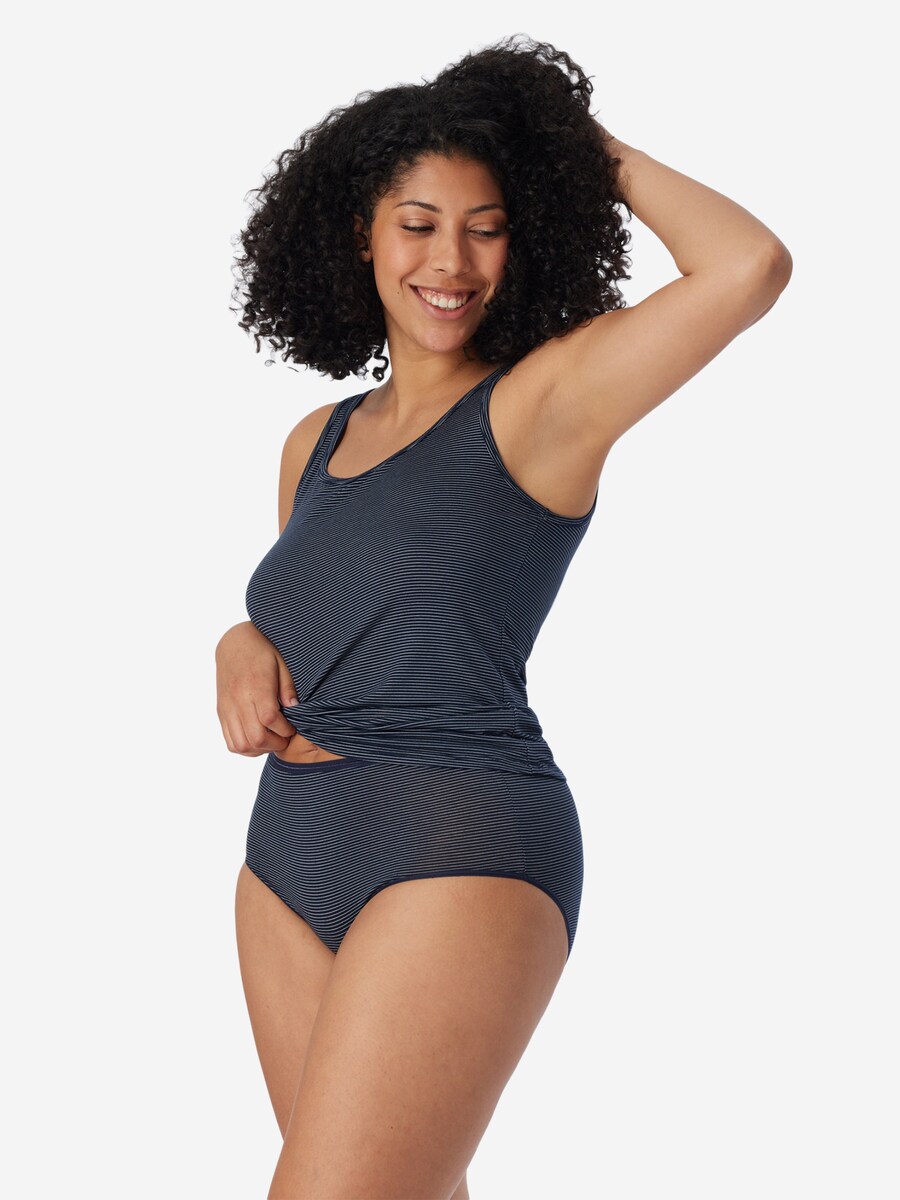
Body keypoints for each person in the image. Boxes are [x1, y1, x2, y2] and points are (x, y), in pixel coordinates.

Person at [215, 34, 791, 1199]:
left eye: (487, 226)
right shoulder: (315, 440)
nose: (452, 260)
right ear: (362, 236)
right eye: (419, 224)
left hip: (457, 841)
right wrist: (243, 637)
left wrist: (572, 143)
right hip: (287, 856)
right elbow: (334, 608)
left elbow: (747, 267)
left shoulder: (545, 403)